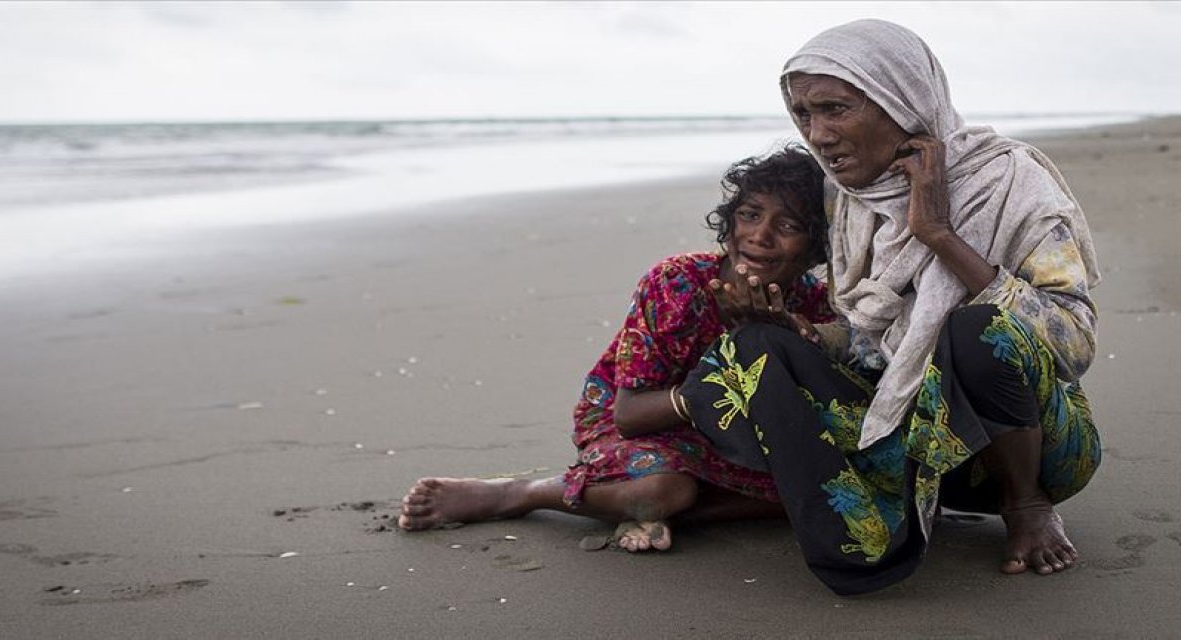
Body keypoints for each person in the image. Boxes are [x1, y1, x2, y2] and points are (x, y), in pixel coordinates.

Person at [682, 19, 1101, 595]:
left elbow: (1073, 340)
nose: (818, 134)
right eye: (803, 114)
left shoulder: (1009, 181)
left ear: (900, 100)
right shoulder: (847, 200)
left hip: (1033, 448)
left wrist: (939, 233)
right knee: (749, 352)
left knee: (977, 330)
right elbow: (869, 342)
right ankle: (861, 533)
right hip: (911, 443)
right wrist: (798, 331)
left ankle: (1025, 505)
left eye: (835, 109)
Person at [398, 146, 835, 551]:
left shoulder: (813, 304)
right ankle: (520, 493)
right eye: (749, 214)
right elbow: (630, 417)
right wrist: (721, 372)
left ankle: (669, 515)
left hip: (735, 440)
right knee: (663, 490)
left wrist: (776, 335)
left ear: (815, 242)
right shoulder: (677, 284)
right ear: (729, 220)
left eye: (789, 226)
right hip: (639, 422)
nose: (760, 235)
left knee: (828, 490)